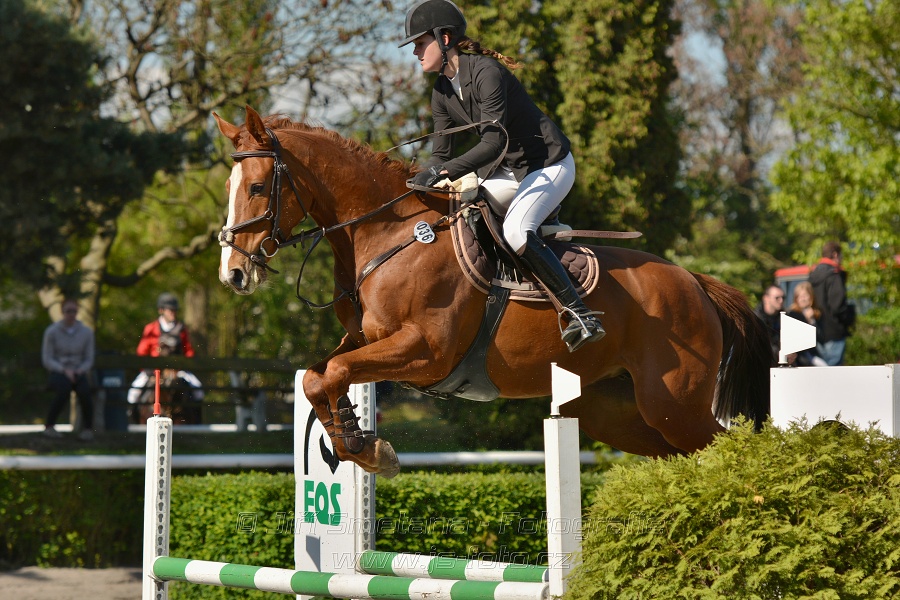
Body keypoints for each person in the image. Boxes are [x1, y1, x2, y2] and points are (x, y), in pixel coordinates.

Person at [400, 0, 605, 352]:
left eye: (421, 43)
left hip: (548, 165)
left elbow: (494, 142)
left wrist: (443, 171)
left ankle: (580, 314)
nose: (416, 52)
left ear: (444, 38)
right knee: (465, 210)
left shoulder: (486, 73)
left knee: (515, 230)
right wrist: (423, 179)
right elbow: (441, 154)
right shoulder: (441, 91)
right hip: (511, 170)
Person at [127, 293, 203, 406]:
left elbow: (188, 351)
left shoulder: (182, 329)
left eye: (175, 310)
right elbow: (141, 352)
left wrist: (185, 365)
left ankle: (197, 420)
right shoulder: (151, 328)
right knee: (132, 395)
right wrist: (148, 369)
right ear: (161, 310)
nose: (173, 312)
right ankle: (133, 418)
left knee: (199, 391)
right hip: (154, 371)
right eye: (170, 310)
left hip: (177, 371)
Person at [41, 298, 95, 440]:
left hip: (79, 371)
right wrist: (64, 370)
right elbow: (47, 358)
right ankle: (49, 426)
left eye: (74, 311)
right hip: (58, 371)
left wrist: (80, 370)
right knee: (63, 389)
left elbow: (89, 358)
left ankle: (88, 429)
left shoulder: (86, 332)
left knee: (85, 391)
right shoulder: (52, 332)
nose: (71, 314)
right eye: (68, 311)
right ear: (62, 312)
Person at [809, 241, 853, 366]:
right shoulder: (833, 275)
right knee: (834, 376)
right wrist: (847, 319)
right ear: (835, 254)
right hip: (834, 330)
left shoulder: (813, 275)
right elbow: (838, 306)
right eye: (841, 256)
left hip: (817, 332)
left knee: (822, 373)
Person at [785, 281, 828, 367]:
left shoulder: (817, 314)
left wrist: (812, 321)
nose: (802, 299)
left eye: (805, 295)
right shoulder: (792, 314)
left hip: (818, 352)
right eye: (799, 296)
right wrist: (806, 320)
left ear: (811, 297)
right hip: (802, 356)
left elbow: (821, 337)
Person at [753, 284, 784, 362]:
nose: (781, 301)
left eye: (783, 297)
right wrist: (779, 354)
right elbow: (759, 347)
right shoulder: (755, 319)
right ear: (766, 298)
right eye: (777, 298)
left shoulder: (783, 317)